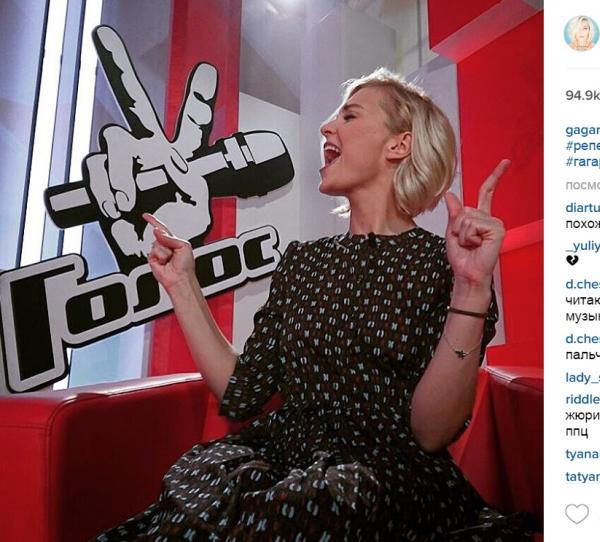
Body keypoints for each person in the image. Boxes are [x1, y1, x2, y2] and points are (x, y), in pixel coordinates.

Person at [94, 68, 533, 540]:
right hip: (282, 463)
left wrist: (470, 288)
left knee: (323, 508)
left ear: (399, 144)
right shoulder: (303, 261)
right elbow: (242, 393)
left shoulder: (443, 263)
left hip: (381, 483)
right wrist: (183, 284)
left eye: (349, 116)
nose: (326, 127)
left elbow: (431, 433)